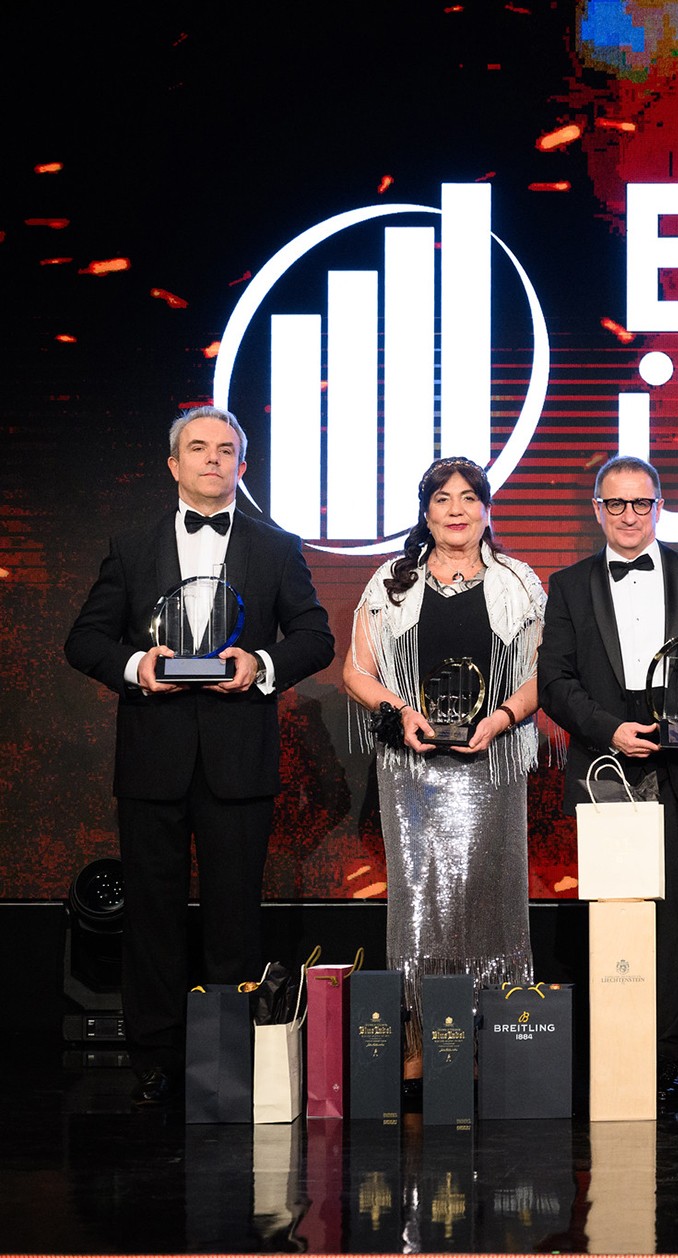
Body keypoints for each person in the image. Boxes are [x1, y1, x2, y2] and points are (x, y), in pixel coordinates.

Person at [65, 405, 334, 1106]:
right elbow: (85, 640)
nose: (212, 458)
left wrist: (259, 663)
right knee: (151, 915)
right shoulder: (132, 545)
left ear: (242, 465)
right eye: (197, 447)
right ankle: (154, 1058)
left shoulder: (277, 547)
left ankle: (229, 1060)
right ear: (173, 464)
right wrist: (138, 666)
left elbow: (315, 637)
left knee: (234, 917)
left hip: (238, 761)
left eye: (225, 449)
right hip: (151, 759)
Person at [539, 455, 678, 1103]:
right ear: (597, 509)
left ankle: (672, 1057)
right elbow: (554, 681)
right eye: (616, 504)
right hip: (607, 762)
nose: (628, 515)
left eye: (641, 503)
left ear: (659, 507)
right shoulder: (568, 585)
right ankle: (617, 1050)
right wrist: (610, 731)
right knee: (614, 916)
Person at [342, 456, 544, 1095]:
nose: (456, 509)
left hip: (493, 766)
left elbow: (543, 676)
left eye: (469, 497)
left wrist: (502, 718)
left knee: (490, 903)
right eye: (442, 499)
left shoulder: (519, 582)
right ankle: (418, 1044)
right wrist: (399, 711)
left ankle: (488, 1042)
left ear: (487, 508)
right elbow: (356, 671)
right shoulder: (391, 582)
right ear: (425, 512)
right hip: (412, 771)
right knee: (420, 907)